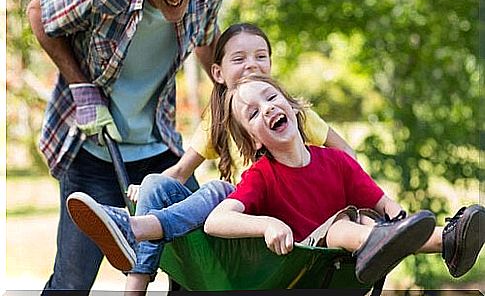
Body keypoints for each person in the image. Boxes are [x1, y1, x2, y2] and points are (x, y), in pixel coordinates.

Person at [26, 0, 223, 292]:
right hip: (93, 155)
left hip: (160, 152)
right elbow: (38, 13)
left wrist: (235, 89)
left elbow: (207, 38)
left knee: (198, 270)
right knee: (72, 282)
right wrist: (81, 87)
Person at [122, 22, 357, 291]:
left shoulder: (288, 112)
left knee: (219, 188)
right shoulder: (218, 121)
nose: (252, 65)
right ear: (218, 73)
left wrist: (333, 188)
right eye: (239, 59)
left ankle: (132, 229)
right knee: (154, 183)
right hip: (239, 223)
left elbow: (346, 153)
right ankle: (135, 274)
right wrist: (143, 190)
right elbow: (179, 172)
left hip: (278, 215)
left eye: (261, 56)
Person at [203, 74, 485, 284]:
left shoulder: (336, 161)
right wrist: (267, 224)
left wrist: (400, 220)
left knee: (367, 217)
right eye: (252, 113)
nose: (266, 108)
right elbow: (216, 221)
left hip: (348, 261)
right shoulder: (262, 176)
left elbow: (383, 202)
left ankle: (448, 242)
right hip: (306, 266)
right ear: (253, 141)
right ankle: (377, 240)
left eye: (271, 97)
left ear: (291, 105)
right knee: (343, 224)